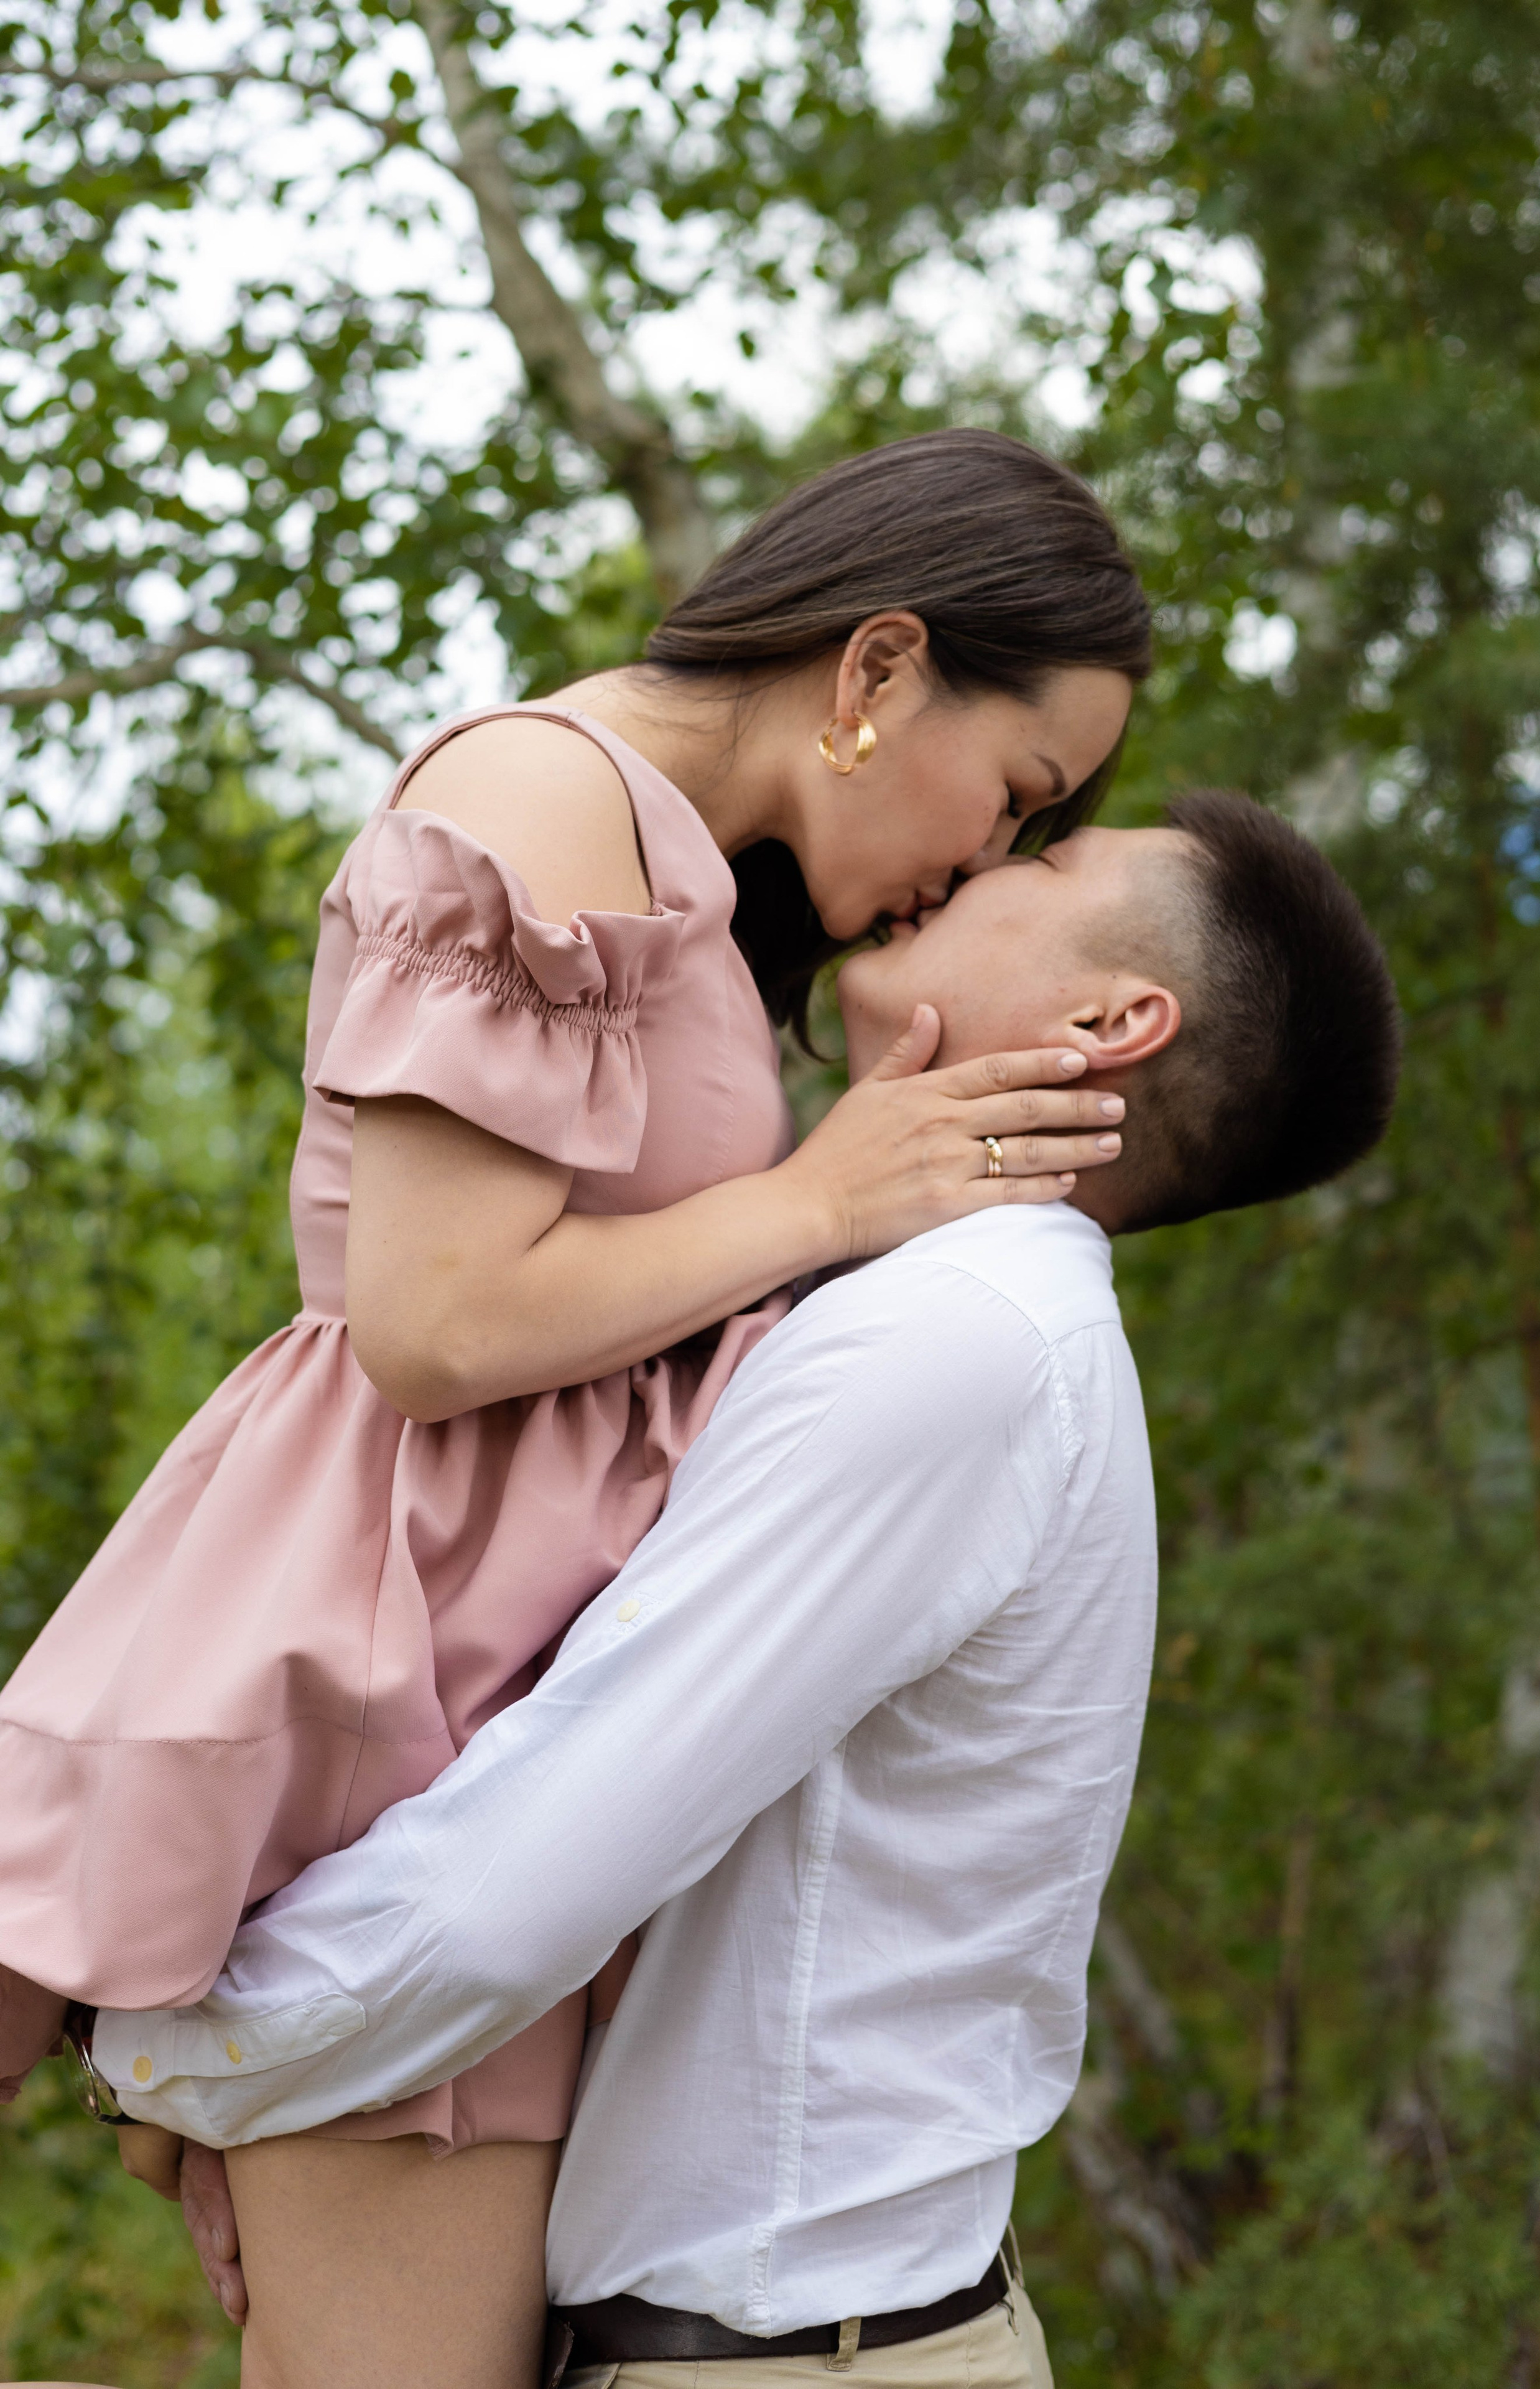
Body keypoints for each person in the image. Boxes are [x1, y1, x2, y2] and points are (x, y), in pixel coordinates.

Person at [0, 428, 1148, 2312]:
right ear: (878, 669)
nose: (988, 859)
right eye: (1017, 795)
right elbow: (436, 1323)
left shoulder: (679, 873)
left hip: (482, 1697)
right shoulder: (543, 793)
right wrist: (819, 1197)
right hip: (390, 1676)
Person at [95, 793, 1402, 2389]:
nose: (986, 861)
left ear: (1109, 1024)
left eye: (1047, 860)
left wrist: (171, 2051)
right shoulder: (949, 1314)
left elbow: (514, 1885)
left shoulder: (959, 1337)